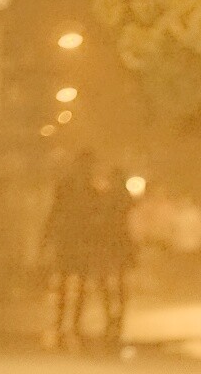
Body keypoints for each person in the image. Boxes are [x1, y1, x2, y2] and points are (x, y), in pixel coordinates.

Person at [40, 149, 99, 350]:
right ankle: (70, 324)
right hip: (76, 239)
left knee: (69, 283)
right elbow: (58, 211)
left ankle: (65, 323)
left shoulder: (73, 186)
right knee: (75, 283)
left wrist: (46, 237)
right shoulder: (87, 189)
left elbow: (55, 211)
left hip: (72, 239)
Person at [90, 168, 136, 347]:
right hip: (121, 244)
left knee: (107, 281)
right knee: (119, 281)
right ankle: (117, 315)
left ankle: (112, 314)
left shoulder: (106, 199)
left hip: (109, 243)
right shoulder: (126, 200)